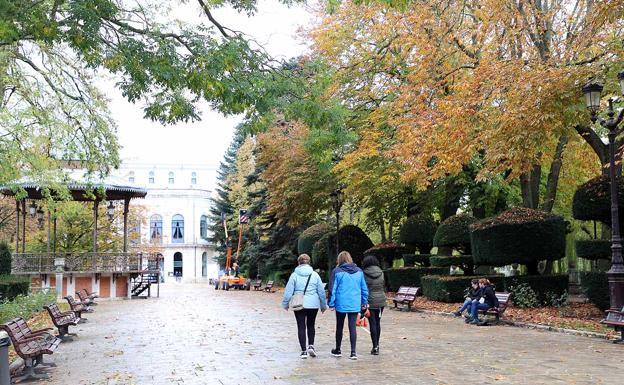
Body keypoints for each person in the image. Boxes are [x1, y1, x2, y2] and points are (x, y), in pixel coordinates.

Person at [281, 254, 327, 359]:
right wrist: (323, 305)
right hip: (313, 303)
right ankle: (311, 345)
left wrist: (285, 303)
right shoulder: (315, 275)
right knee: (311, 324)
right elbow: (321, 291)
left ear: (299, 263)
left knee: (301, 326)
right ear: (309, 262)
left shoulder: (294, 275)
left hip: (298, 302)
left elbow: (288, 291)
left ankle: (303, 351)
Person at [328, 251, 368, 360]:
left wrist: (331, 303)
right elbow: (364, 288)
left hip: (341, 303)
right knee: (352, 327)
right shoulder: (359, 271)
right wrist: (364, 302)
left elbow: (333, 289)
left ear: (339, 260)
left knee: (339, 326)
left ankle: (338, 349)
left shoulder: (337, 271)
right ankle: (353, 352)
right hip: (354, 303)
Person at [361, 255, 385, 355]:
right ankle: (377, 345)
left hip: (369, 301)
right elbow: (383, 285)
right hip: (381, 300)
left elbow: (362, 288)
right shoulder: (381, 272)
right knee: (378, 322)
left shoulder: (363, 273)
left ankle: (375, 346)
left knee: (372, 323)